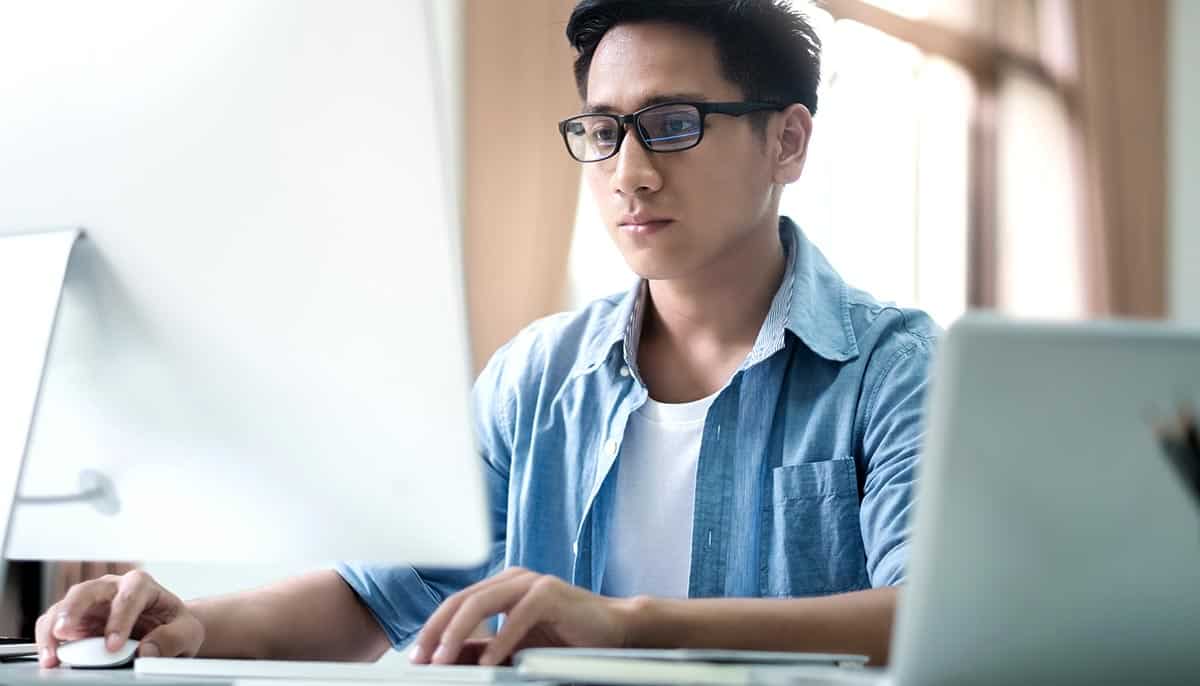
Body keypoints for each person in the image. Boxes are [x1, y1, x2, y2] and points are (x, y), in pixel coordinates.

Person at [35, 0, 937, 668]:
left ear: (788, 142)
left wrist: (630, 625)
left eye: (672, 125)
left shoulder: (894, 369)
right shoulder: (536, 377)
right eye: (603, 129)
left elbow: (930, 616)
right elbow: (372, 598)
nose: (631, 174)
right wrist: (189, 626)